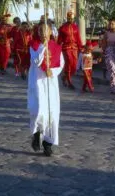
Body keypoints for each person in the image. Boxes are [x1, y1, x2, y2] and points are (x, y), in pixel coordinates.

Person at [28, 23, 64, 157]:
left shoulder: (56, 47)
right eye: (41, 30)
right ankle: (37, 134)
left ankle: (48, 144)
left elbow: (61, 63)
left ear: (50, 32)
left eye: (46, 30)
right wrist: (43, 46)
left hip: (50, 83)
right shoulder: (34, 46)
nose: (43, 32)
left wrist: (53, 71)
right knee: (38, 111)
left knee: (51, 113)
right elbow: (37, 61)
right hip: (38, 83)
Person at [57, 11, 83, 90]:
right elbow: (59, 40)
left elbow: (78, 38)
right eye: (69, 18)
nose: (71, 20)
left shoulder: (75, 27)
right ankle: (69, 82)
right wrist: (57, 49)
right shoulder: (62, 28)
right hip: (66, 48)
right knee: (69, 64)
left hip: (74, 48)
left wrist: (81, 47)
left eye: (72, 18)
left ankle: (65, 76)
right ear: (67, 18)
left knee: (74, 66)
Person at [100, 19, 115, 94]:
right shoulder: (106, 34)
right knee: (112, 69)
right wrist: (102, 53)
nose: (111, 25)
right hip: (109, 52)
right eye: (110, 24)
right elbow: (104, 44)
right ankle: (114, 87)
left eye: (113, 24)